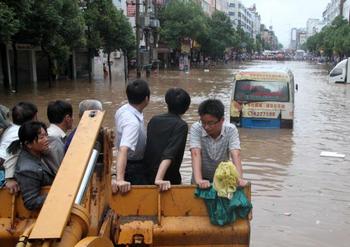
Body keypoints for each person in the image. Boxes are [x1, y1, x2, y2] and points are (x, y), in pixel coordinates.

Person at [190, 99, 246, 189]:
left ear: (222, 120)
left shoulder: (231, 130)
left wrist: (239, 178)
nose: (206, 127)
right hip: (200, 179)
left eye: (211, 123)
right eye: (203, 122)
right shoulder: (197, 128)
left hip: (223, 180)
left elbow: (236, 154)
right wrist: (199, 180)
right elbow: (195, 153)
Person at [143, 88, 190, 191]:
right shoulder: (181, 126)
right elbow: (170, 153)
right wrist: (159, 179)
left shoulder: (154, 120)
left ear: (167, 102)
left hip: (147, 176)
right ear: (186, 108)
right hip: (168, 181)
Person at [112, 79, 150, 194]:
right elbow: (123, 149)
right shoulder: (132, 122)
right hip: (132, 166)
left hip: (130, 163)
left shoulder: (123, 109)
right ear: (147, 99)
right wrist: (120, 179)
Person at [14, 121, 55, 210]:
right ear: (28, 144)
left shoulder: (39, 152)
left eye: (46, 135)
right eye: (41, 137)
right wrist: (56, 195)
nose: (46, 139)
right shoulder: (28, 170)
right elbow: (31, 202)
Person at [0, 102, 38, 193]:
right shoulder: (22, 134)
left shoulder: (9, 128)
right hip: (3, 168)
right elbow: (12, 154)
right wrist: (9, 178)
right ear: (35, 117)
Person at [46, 100, 73, 172]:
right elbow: (58, 169)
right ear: (67, 118)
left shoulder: (49, 133)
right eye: (71, 116)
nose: (73, 119)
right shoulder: (53, 138)